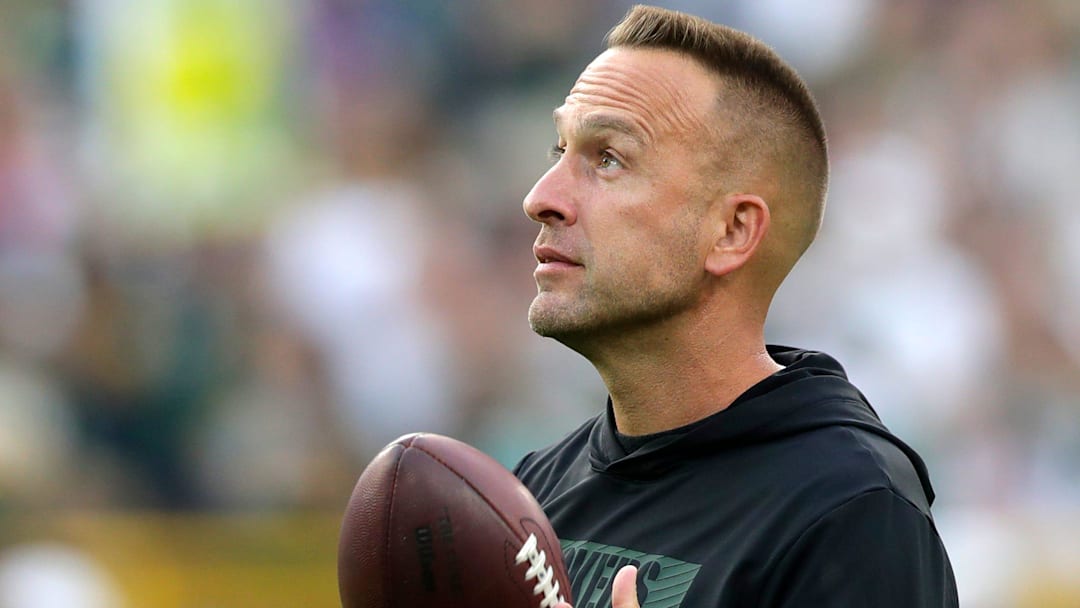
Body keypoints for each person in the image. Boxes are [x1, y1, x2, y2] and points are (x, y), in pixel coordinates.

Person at [512, 5, 958, 608]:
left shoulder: (848, 511)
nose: (541, 198)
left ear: (731, 231)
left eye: (608, 158)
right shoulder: (527, 498)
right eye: (558, 150)